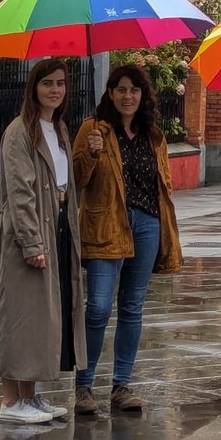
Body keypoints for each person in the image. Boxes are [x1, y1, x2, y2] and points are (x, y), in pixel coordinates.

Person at [70, 64, 184, 417]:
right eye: (120, 89)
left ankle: (121, 384)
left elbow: (161, 185)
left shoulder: (153, 135)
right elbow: (76, 180)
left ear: (143, 95)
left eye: (134, 90)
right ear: (110, 93)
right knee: (99, 307)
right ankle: (83, 386)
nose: (127, 96)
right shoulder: (94, 129)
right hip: (106, 225)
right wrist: (90, 152)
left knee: (132, 307)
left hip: (147, 225)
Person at [0, 57, 86, 424]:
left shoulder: (58, 129)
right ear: (34, 89)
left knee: (40, 316)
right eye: (47, 83)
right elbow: (20, 191)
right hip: (28, 233)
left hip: (57, 227)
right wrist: (31, 242)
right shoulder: (19, 132)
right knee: (20, 314)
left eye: (60, 83)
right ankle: (11, 400)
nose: (55, 90)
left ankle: (30, 396)